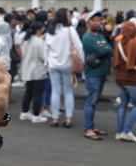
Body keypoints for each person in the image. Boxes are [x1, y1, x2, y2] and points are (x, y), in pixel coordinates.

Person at [44, 8, 84, 128]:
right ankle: (68, 119)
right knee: (68, 92)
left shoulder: (50, 31)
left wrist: (47, 62)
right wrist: (82, 62)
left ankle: (55, 119)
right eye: (68, 15)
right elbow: (79, 47)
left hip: (53, 65)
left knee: (55, 91)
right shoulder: (70, 30)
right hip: (68, 65)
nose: (70, 17)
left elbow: (46, 49)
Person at [82, 11, 114, 140]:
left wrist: (105, 50)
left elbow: (110, 50)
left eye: (98, 20)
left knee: (94, 102)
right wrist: (105, 50)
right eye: (93, 20)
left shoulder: (100, 35)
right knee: (91, 101)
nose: (96, 22)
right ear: (88, 22)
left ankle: (91, 126)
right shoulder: (87, 37)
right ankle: (88, 129)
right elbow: (102, 50)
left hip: (101, 73)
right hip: (93, 74)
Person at [19, 22, 48, 123]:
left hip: (27, 69)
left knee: (28, 92)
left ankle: (24, 112)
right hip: (37, 70)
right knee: (37, 93)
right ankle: (36, 115)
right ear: (39, 30)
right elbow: (43, 57)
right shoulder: (39, 42)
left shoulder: (28, 40)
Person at [113, 21, 136, 142]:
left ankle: (119, 131)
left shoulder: (119, 42)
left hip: (119, 78)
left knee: (123, 105)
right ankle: (126, 131)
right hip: (131, 79)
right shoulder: (134, 43)